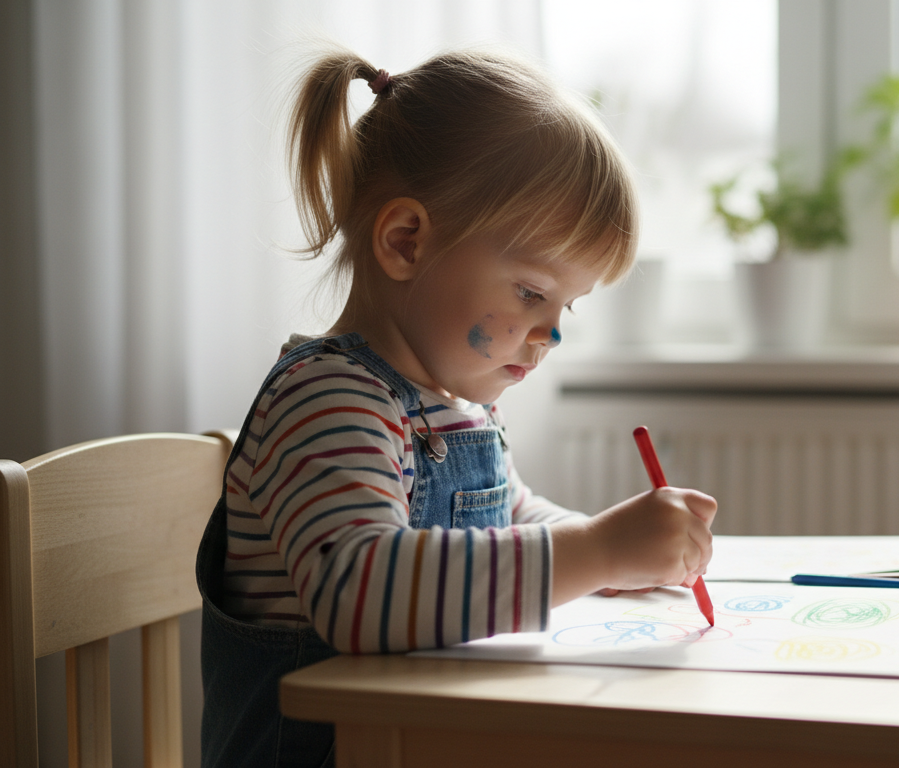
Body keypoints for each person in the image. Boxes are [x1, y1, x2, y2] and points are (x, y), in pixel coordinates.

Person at [195, 46, 717, 767]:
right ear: (406, 243)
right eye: (532, 293)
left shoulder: (454, 407)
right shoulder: (327, 402)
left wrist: (618, 552)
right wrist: (597, 551)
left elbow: (512, 516)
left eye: (566, 307)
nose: (552, 334)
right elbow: (360, 590)